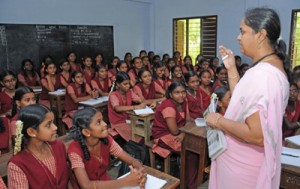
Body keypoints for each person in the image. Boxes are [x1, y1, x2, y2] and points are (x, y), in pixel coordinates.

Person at [206, 7, 290, 189]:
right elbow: (243, 103)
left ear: (260, 35)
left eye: (243, 31)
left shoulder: (263, 75)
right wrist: (231, 70)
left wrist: (218, 120)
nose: (238, 37)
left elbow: (256, 135)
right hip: (246, 163)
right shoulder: (271, 68)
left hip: (242, 170)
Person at [68, 107, 147, 189]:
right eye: (98, 122)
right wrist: (124, 182)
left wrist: (139, 169)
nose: (105, 124)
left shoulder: (106, 140)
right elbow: (86, 185)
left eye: (102, 120)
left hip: (105, 183)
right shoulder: (74, 151)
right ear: (86, 132)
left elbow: (131, 160)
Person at [7, 104, 71, 188]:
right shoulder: (17, 165)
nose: (55, 127)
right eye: (48, 125)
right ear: (32, 132)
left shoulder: (59, 146)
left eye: (53, 122)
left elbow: (68, 178)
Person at [108, 72, 146, 142]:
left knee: (145, 129)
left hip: (128, 119)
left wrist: (136, 90)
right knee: (137, 134)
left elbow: (140, 100)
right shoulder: (113, 95)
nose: (128, 86)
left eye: (129, 83)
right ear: (118, 84)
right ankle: (137, 149)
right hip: (118, 123)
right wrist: (135, 107)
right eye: (125, 84)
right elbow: (117, 108)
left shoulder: (129, 92)